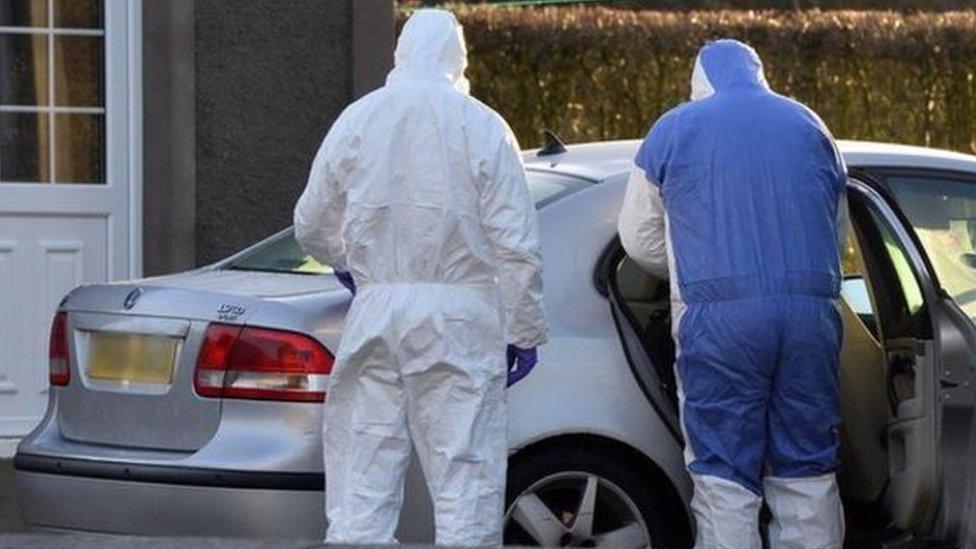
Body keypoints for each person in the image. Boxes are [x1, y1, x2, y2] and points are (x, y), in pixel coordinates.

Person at [293, 9, 547, 546]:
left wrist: (355, 267)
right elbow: (516, 245)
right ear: (458, 58)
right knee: (465, 481)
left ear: (400, 54)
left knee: (363, 477)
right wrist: (524, 331)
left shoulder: (358, 119)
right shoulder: (482, 125)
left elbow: (310, 224)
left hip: (377, 314)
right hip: (461, 318)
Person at [618, 39, 847, 548]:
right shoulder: (809, 124)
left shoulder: (674, 129)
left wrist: (690, 273)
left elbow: (638, 238)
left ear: (700, 83)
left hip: (720, 325)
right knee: (807, 468)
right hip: (811, 317)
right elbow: (834, 230)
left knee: (724, 475)